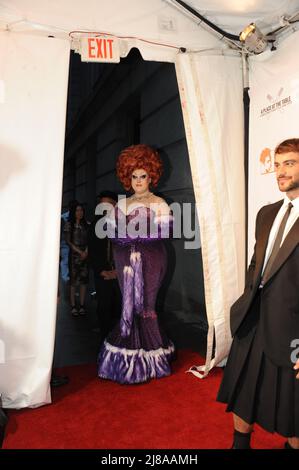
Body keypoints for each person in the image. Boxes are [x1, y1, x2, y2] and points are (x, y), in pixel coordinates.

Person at [217, 138, 299, 449]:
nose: (281, 171)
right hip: (252, 324)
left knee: (294, 416)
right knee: (242, 396)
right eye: (277, 165)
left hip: (293, 334)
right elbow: (256, 264)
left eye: (289, 163)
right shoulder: (266, 213)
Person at [97, 144, 175, 384]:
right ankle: (129, 356)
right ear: (127, 177)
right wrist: (126, 234)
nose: (139, 180)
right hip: (124, 261)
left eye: (143, 176)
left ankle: (150, 359)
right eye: (134, 176)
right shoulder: (121, 205)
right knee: (127, 303)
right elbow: (111, 232)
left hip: (152, 260)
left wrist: (132, 233)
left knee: (147, 304)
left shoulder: (160, 204)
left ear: (151, 176)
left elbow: (164, 231)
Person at [88, 191, 121, 342]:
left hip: (121, 272)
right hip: (103, 273)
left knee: (121, 305)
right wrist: (102, 271)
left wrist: (118, 272)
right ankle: (106, 338)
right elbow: (93, 251)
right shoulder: (95, 225)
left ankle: (122, 336)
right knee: (104, 305)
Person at [64, 203, 89, 316]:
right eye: (77, 210)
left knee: (84, 281)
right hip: (74, 255)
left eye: (81, 210)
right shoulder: (69, 225)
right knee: (73, 281)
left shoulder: (86, 225)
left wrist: (86, 252)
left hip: (85, 255)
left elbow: (90, 240)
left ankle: (82, 305)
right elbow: (68, 241)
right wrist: (80, 252)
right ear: (73, 212)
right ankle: (73, 306)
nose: (80, 212)